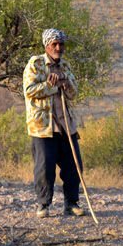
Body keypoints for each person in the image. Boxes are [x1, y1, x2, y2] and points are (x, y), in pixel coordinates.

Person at [22, 28, 86, 218]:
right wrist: (51, 85)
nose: (58, 48)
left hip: (65, 124)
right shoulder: (35, 64)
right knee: (44, 168)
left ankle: (71, 204)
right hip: (43, 126)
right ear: (46, 46)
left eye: (61, 44)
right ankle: (43, 205)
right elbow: (29, 91)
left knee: (74, 166)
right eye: (54, 44)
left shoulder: (65, 65)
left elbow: (73, 94)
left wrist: (66, 84)